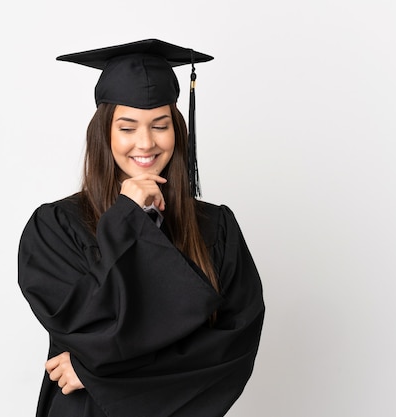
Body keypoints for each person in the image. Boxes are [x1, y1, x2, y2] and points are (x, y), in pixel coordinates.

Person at [18, 39, 265, 417]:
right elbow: (87, 327)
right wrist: (126, 216)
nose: (145, 143)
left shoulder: (217, 228)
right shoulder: (56, 227)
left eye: (160, 125)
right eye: (128, 127)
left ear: (177, 131)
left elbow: (231, 350)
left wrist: (95, 372)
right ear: (105, 134)